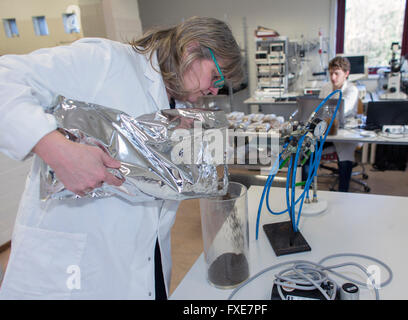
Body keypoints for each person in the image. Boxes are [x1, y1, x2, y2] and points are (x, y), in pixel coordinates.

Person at [0, 16, 243, 299]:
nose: (214, 89)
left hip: (144, 268)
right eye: (216, 76)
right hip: (74, 270)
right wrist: (55, 149)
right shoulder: (104, 61)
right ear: (191, 50)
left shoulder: (174, 103)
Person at [319, 56, 359, 192]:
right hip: (327, 130)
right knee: (308, 150)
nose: (333, 77)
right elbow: (318, 109)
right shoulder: (325, 88)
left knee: (345, 160)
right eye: (331, 73)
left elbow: (341, 110)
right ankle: (306, 189)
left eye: (337, 73)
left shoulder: (352, 90)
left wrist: (325, 114)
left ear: (346, 74)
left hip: (345, 131)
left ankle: (343, 194)